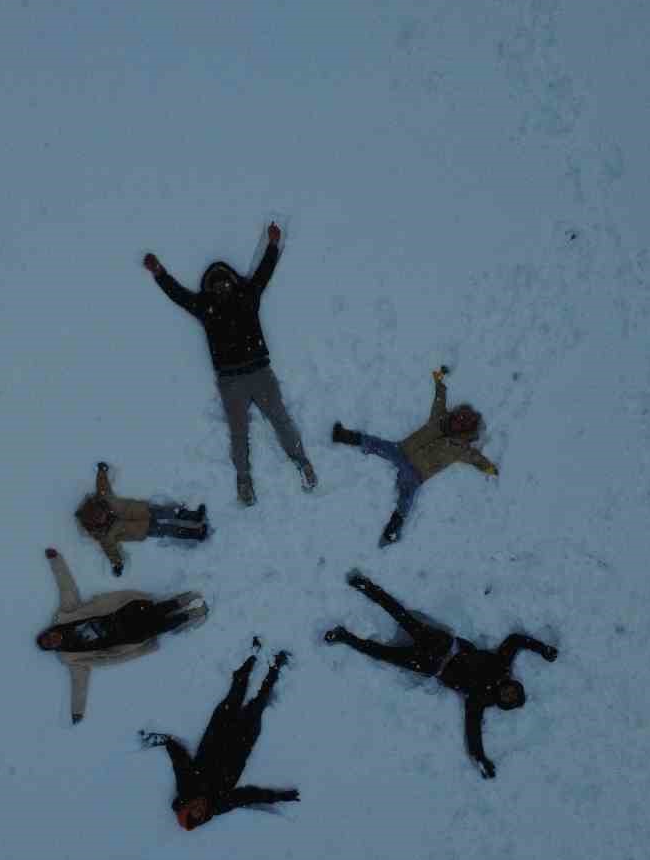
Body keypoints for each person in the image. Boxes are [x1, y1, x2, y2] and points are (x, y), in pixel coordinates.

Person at [322, 570, 557, 779]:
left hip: (430, 666)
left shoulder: (480, 700)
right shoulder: (501, 665)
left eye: (508, 698)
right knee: (402, 616)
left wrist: (480, 758)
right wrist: (542, 649)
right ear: (514, 684)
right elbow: (515, 640)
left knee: (383, 654)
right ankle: (365, 586)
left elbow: (473, 731)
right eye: (513, 691)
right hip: (443, 645)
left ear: (503, 703)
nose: (508, 693)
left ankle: (344, 636)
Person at [143, 223, 316, 506]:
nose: (222, 287)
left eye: (225, 282)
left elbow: (264, 273)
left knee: (280, 419)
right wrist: (159, 273)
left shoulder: (248, 295)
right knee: (239, 433)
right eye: (217, 284)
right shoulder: (205, 306)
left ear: (233, 281)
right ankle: (243, 481)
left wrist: (273, 245)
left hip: (259, 372)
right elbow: (179, 295)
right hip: (230, 381)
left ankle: (303, 463)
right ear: (210, 288)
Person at [330, 366, 498, 547]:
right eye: (459, 418)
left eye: (463, 424)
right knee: (376, 443)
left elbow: (475, 458)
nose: (458, 422)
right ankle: (343, 436)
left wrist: (488, 467)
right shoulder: (439, 418)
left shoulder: (461, 448)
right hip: (401, 451)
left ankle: (390, 534)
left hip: (416, 473)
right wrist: (439, 381)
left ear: (467, 430)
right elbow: (439, 398)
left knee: (405, 502)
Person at [139, 640, 299, 830]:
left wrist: (166, 742)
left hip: (218, 733)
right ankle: (276, 666)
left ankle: (251, 656)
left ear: (187, 805)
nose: (199, 807)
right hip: (241, 743)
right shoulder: (218, 805)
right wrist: (279, 796)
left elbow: (180, 762)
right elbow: (248, 797)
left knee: (236, 694)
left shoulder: (187, 788)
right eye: (200, 813)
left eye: (193, 808)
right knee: (258, 704)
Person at [36, 548, 206, 724]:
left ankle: (184, 600)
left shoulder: (65, 617)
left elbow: (66, 588)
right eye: (50, 644)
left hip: (121, 613)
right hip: (126, 637)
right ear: (53, 648)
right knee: (160, 626)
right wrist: (77, 711)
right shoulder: (70, 657)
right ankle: (191, 614)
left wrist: (55, 560)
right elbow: (79, 683)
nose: (52, 639)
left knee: (156, 610)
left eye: (48, 636)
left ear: (50, 630)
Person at [76, 462, 208, 577]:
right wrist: (117, 564)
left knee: (170, 512)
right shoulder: (104, 535)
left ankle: (195, 516)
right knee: (169, 529)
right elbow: (111, 551)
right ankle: (196, 534)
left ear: (98, 506)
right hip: (143, 529)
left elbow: (102, 485)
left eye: (101, 513)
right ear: (95, 523)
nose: (103, 516)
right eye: (99, 518)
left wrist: (102, 471)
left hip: (143, 510)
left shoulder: (104, 498)